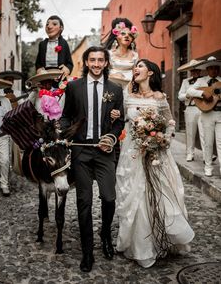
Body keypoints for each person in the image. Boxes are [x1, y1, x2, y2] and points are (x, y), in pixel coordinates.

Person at [115, 59, 194, 268]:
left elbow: (170, 123)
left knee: (160, 194)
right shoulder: (127, 96)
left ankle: (161, 239)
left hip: (157, 155)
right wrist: (115, 114)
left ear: (150, 73)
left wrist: (162, 139)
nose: (135, 69)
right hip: (132, 153)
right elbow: (121, 119)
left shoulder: (160, 97)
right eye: (135, 67)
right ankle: (140, 244)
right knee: (135, 195)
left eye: (140, 66)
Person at [61, 46, 124, 272]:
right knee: (84, 203)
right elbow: (66, 116)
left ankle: (105, 233)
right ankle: (87, 251)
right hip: (81, 152)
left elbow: (119, 121)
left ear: (106, 63)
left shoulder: (115, 90)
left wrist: (111, 137)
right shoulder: (74, 87)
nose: (96, 64)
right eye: (92, 60)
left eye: (101, 60)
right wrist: (65, 133)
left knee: (109, 197)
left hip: (105, 152)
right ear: (86, 62)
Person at [187, 56, 221, 177]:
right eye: (211, 68)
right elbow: (189, 91)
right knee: (208, 142)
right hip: (207, 114)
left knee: (220, 142)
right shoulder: (201, 81)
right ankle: (208, 166)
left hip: (220, 114)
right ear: (207, 69)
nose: (214, 71)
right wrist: (202, 93)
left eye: (216, 68)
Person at [177, 59, 206, 162]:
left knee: (204, 133)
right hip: (190, 108)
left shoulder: (204, 80)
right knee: (190, 133)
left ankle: (206, 155)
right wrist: (188, 95)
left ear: (200, 71)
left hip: (203, 109)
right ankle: (190, 153)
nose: (195, 72)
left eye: (197, 70)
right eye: (193, 71)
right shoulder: (186, 81)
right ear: (190, 72)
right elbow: (180, 96)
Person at [104, 17, 138, 88]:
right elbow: (101, 73)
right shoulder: (108, 54)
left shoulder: (135, 55)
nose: (126, 36)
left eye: (130, 35)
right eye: (123, 34)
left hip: (129, 88)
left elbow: (137, 74)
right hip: (111, 86)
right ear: (116, 36)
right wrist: (112, 76)